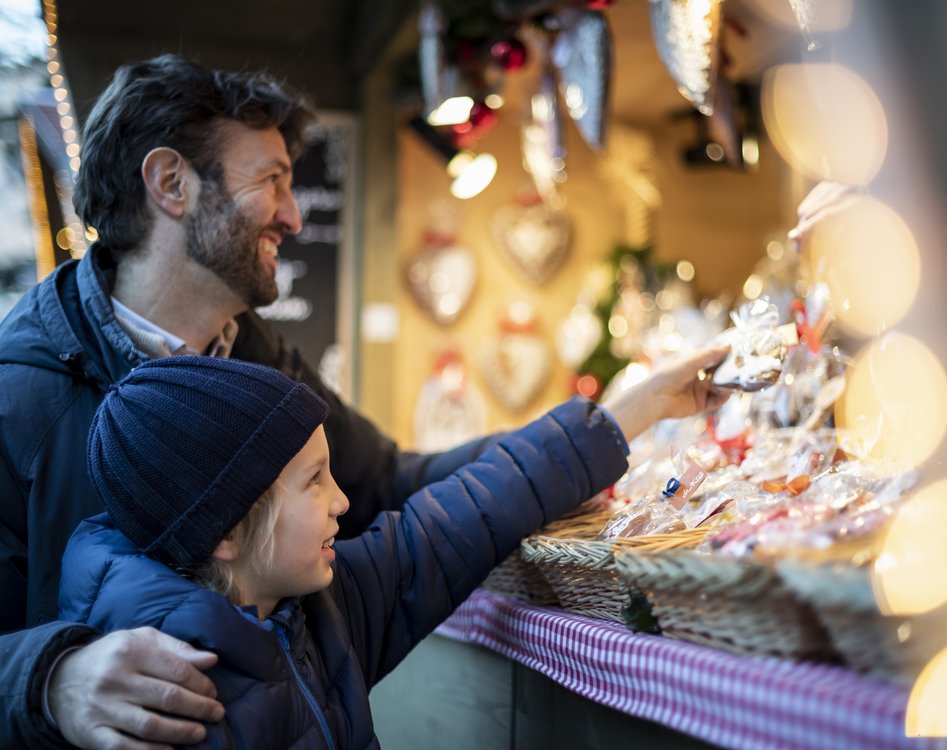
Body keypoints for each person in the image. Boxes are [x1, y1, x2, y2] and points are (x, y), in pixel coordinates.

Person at [0, 52, 729, 748]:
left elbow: (392, 489)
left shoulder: (259, 356)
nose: (292, 215)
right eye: (273, 180)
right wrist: (48, 681)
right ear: (171, 183)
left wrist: (613, 422)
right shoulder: (19, 392)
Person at [57, 354, 723, 749]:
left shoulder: (316, 607)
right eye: (314, 481)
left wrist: (631, 411)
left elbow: (462, 515)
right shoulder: (156, 708)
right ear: (226, 531)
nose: (343, 501)